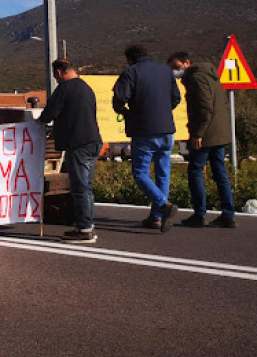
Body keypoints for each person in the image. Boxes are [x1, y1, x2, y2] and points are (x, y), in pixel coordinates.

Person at [112, 44, 181, 232]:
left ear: (129, 58)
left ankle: (163, 205)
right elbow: (176, 98)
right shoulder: (165, 72)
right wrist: (162, 112)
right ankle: (156, 218)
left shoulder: (131, 72)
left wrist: (125, 112)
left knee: (140, 173)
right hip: (167, 130)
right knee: (163, 174)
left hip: (144, 130)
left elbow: (120, 98)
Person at [167, 52, 236, 228]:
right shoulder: (211, 76)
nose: (175, 71)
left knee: (195, 172)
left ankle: (200, 214)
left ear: (187, 62)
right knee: (220, 172)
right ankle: (228, 214)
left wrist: (198, 134)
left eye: (176, 67)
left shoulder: (196, 79)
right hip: (219, 132)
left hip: (206, 134)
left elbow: (204, 109)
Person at [38, 59, 102, 243]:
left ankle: (84, 229)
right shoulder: (85, 88)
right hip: (93, 141)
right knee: (86, 187)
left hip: (78, 143)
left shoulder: (65, 88)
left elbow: (48, 114)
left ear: (58, 73)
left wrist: (39, 123)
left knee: (79, 187)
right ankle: (87, 224)